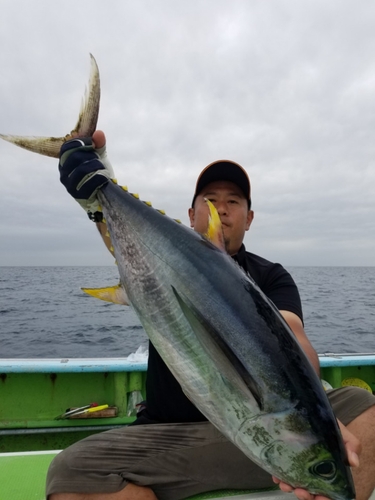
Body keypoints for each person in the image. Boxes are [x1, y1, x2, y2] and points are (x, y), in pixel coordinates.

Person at [47, 131, 375, 500]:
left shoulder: (271, 275)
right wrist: (96, 191)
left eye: (233, 201)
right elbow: (127, 245)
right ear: (191, 214)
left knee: (367, 409)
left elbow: (293, 335)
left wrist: (319, 419)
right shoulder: (161, 259)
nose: (221, 209)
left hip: (261, 432)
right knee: (69, 474)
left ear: (249, 218)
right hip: (172, 433)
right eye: (210, 200)